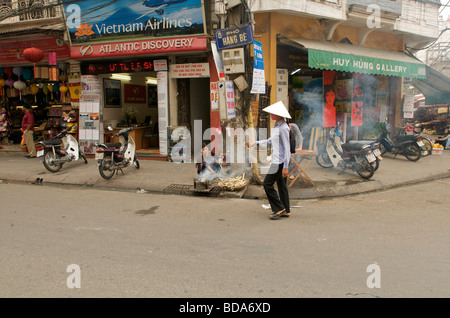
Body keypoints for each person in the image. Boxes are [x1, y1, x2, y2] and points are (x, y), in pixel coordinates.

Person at [250, 101, 291, 220]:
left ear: (279, 114)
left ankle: (278, 208)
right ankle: (286, 210)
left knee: (267, 184)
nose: (271, 115)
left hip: (279, 162)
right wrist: (256, 143)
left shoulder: (283, 128)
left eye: (274, 113)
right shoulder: (277, 126)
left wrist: (286, 166)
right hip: (277, 161)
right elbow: (269, 141)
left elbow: (287, 148)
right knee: (282, 186)